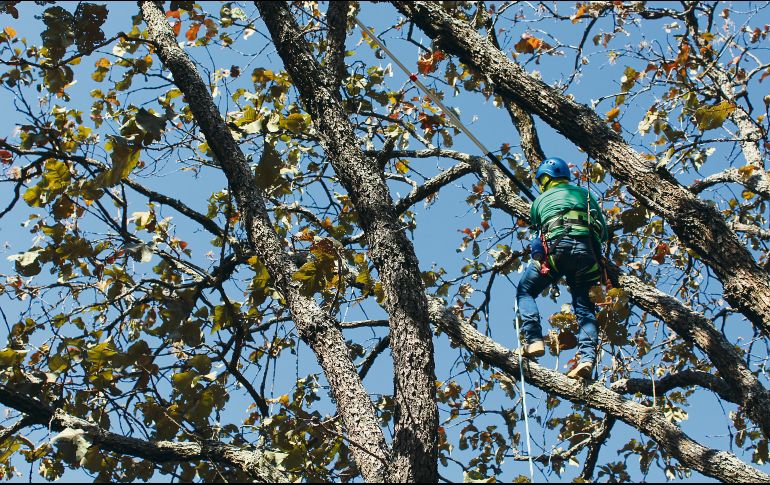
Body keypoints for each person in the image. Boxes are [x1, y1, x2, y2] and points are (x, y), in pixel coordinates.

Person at [516, 157, 608, 379]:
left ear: (546, 178)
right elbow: (603, 231)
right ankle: (586, 360)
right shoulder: (586, 195)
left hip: (558, 251)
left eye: (541, 181)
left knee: (526, 290)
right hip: (588, 255)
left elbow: (537, 226)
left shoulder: (539, 201)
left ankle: (533, 340)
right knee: (585, 310)